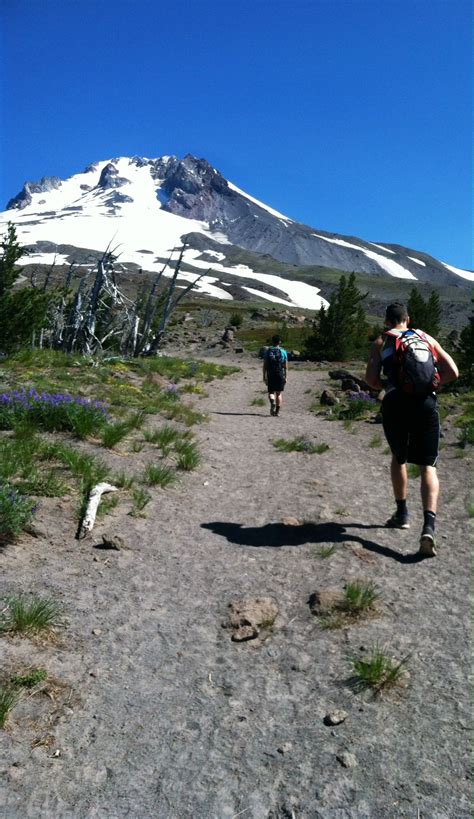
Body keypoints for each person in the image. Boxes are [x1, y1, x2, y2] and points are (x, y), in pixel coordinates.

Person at [365, 302, 459, 557]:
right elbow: (453, 371)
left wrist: (389, 385)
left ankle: (402, 513)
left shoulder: (381, 342)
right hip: (426, 404)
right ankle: (428, 526)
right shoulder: (425, 337)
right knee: (428, 466)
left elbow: (371, 381)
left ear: (387, 321)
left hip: (396, 404)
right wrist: (431, 386)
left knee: (399, 458)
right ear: (408, 318)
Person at [263, 335, 288, 416]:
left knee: (271, 392)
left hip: (271, 374)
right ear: (279, 342)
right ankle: (277, 411)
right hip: (280, 373)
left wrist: (264, 376)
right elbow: (285, 366)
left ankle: (272, 403)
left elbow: (265, 365)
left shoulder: (268, 351)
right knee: (279, 393)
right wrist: (286, 377)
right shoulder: (283, 352)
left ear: (272, 341)